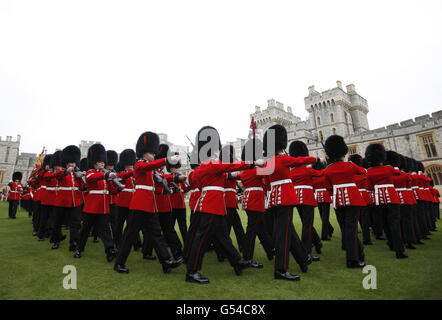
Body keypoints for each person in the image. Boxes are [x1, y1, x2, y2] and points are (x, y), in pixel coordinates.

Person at [185, 126, 257, 284]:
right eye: (216, 151)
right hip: (211, 205)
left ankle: (237, 262)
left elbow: (227, 174)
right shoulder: (210, 165)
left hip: (217, 205)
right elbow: (229, 167)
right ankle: (191, 271)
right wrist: (252, 164)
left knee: (223, 237)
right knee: (201, 238)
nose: (218, 153)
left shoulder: (210, 167)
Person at [114, 132, 183, 274]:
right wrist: (167, 159)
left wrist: (175, 178)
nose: (153, 155)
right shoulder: (139, 164)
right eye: (152, 153)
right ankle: (119, 263)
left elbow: (163, 176)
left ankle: (166, 261)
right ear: (145, 153)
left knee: (156, 233)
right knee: (130, 234)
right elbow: (148, 168)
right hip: (140, 203)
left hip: (149, 204)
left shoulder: (150, 168)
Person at [261, 125, 317, 280]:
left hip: (273, 200)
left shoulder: (267, 163)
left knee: (289, 232)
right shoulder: (283, 159)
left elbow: (265, 182)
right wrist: (317, 159)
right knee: (283, 236)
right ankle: (280, 269)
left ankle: (303, 259)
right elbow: (302, 160)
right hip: (285, 198)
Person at [323, 135, 366, 268]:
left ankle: (358, 252)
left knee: (346, 229)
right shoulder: (350, 166)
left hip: (338, 200)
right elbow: (363, 172)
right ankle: (352, 260)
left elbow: (328, 187)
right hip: (353, 199)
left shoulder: (328, 170)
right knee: (351, 229)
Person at [73, 144, 117, 262]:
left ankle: (109, 250)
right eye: (99, 162)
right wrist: (107, 175)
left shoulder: (104, 175)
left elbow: (112, 191)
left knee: (105, 230)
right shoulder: (90, 173)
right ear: (94, 163)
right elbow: (93, 178)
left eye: (103, 162)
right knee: (85, 230)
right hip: (92, 207)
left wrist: (118, 186)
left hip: (103, 207)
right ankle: (79, 249)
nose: (102, 164)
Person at [235, 138, 274, 268]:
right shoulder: (255, 171)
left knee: (261, 229)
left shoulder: (246, 171)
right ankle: (247, 258)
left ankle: (271, 250)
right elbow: (270, 170)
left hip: (250, 201)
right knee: (252, 230)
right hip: (255, 201)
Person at [365, 143, 408, 259]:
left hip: (379, 199)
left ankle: (390, 243)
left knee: (385, 223)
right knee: (395, 223)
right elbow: (399, 173)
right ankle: (400, 250)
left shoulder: (369, 172)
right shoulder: (389, 169)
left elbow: (368, 187)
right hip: (392, 197)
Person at [289, 141, 322, 259]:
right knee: (307, 225)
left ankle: (317, 242)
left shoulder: (291, 172)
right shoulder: (308, 170)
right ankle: (307, 251)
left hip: (297, 198)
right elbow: (321, 174)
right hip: (307, 197)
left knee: (306, 224)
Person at [51, 145, 83, 251]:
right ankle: (56, 241)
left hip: (75, 201)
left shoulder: (76, 173)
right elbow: (58, 176)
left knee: (75, 223)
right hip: (62, 201)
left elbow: (81, 186)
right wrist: (66, 171)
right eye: (71, 162)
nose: (73, 164)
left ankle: (73, 242)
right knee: (58, 222)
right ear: (66, 162)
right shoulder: (61, 171)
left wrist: (83, 181)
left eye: (74, 162)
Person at [348, 154, 372, 245]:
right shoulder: (364, 172)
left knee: (354, 218)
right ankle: (367, 238)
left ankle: (354, 238)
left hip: (354, 196)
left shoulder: (350, 173)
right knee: (365, 218)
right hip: (364, 196)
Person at [311, 161, 334, 241]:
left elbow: (313, 188)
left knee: (322, 216)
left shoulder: (313, 177)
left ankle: (329, 230)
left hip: (317, 196)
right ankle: (325, 234)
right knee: (325, 216)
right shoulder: (324, 174)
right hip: (325, 195)